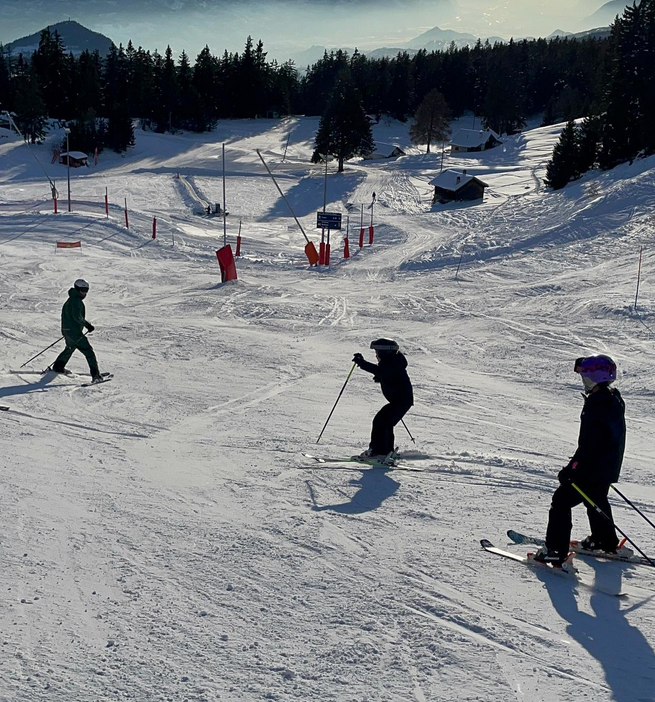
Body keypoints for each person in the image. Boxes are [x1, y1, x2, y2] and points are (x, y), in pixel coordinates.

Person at [534, 355, 627, 566]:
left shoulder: (596, 405)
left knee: (561, 501)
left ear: (594, 378)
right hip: (608, 466)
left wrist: (571, 469)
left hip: (592, 468)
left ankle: (555, 550)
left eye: (585, 376)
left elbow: (589, 445)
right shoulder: (613, 398)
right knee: (595, 499)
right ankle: (604, 541)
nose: (583, 381)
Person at [352, 338, 413, 462]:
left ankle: (379, 452)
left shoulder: (393, 363)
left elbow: (383, 371)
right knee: (385, 423)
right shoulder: (393, 362)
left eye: (377, 352)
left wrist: (362, 363)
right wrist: (382, 378)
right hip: (400, 401)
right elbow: (386, 373)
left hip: (400, 401)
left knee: (381, 422)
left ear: (384, 353)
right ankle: (385, 451)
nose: (376, 355)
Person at [51, 279, 102, 382]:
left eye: (87, 290)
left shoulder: (71, 300)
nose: (85, 292)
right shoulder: (76, 301)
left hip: (67, 330)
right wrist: (88, 325)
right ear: (77, 289)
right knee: (89, 352)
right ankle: (96, 376)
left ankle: (58, 366)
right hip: (74, 332)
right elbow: (77, 317)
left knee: (70, 348)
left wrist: (69, 329)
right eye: (83, 289)